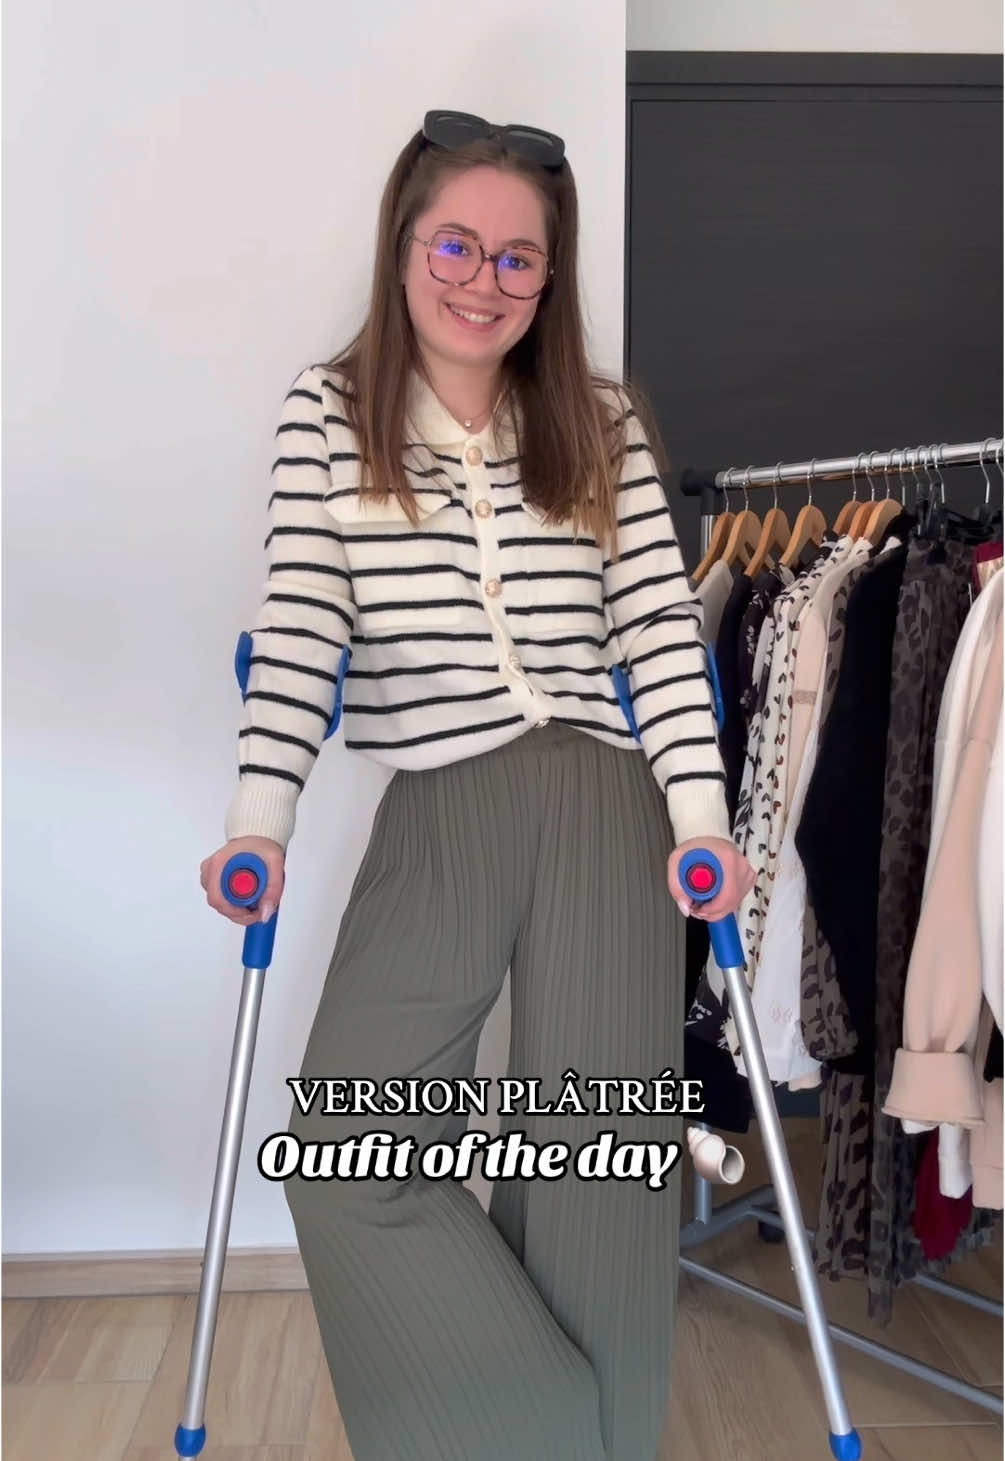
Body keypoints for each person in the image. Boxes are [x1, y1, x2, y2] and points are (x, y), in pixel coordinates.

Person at [200, 110, 754, 1461]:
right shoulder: (324, 413)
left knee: (593, 1165)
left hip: (607, 808)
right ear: (403, 246)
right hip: (441, 800)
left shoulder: (600, 414)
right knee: (351, 1145)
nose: (484, 278)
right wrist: (254, 825)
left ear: (549, 278)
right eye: (459, 242)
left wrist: (701, 821)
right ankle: (539, 1433)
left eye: (521, 259)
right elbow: (300, 627)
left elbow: (655, 638)